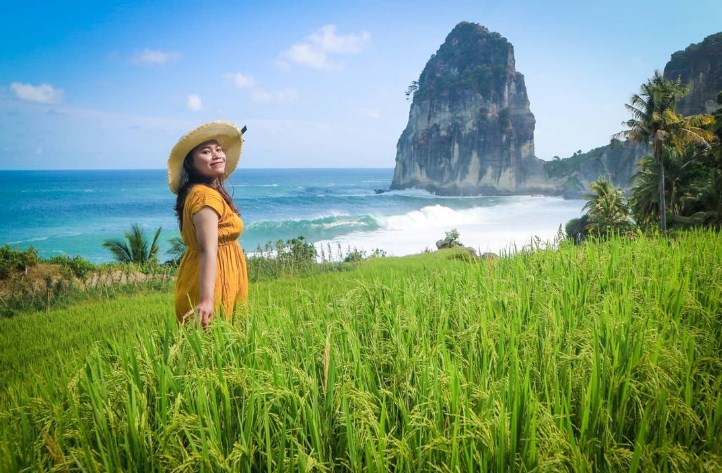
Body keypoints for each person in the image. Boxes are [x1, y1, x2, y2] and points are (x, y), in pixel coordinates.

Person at [167, 120, 248, 328]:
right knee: (215, 350)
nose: (217, 155)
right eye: (206, 152)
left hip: (210, 276)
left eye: (219, 150)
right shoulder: (204, 197)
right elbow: (208, 250)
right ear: (190, 163)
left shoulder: (202, 192)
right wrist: (206, 300)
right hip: (213, 283)